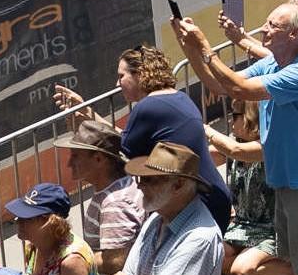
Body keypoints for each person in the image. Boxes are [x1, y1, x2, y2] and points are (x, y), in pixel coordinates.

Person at [172, 8, 298, 275]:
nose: (264, 28)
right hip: (285, 184)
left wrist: (204, 45)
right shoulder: (273, 64)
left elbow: (239, 88)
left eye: (274, 24)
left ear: (294, 35)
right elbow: (220, 85)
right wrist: (189, 47)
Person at [54, 47, 233, 235]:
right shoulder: (178, 97)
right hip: (212, 198)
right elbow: (124, 140)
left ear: (140, 74)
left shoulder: (147, 107)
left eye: (121, 76)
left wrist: (87, 117)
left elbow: (120, 149)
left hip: (196, 205)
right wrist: (88, 113)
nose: (117, 84)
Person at [107, 144, 226, 275]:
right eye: (140, 178)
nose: (140, 186)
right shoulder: (155, 220)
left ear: (178, 184)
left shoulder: (199, 238)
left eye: (149, 180)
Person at [204, 104, 291, 275]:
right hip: (242, 226)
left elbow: (235, 151)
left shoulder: (269, 145)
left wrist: (206, 130)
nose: (230, 121)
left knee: (241, 271)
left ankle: (290, 271)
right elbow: (205, 155)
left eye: (235, 115)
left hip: (271, 227)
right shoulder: (235, 144)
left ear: (251, 118)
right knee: (211, 255)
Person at [50, 121, 143, 275]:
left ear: (99, 159)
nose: (69, 163)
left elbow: (114, 261)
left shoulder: (114, 203)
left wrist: (71, 259)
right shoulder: (115, 189)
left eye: (75, 156)